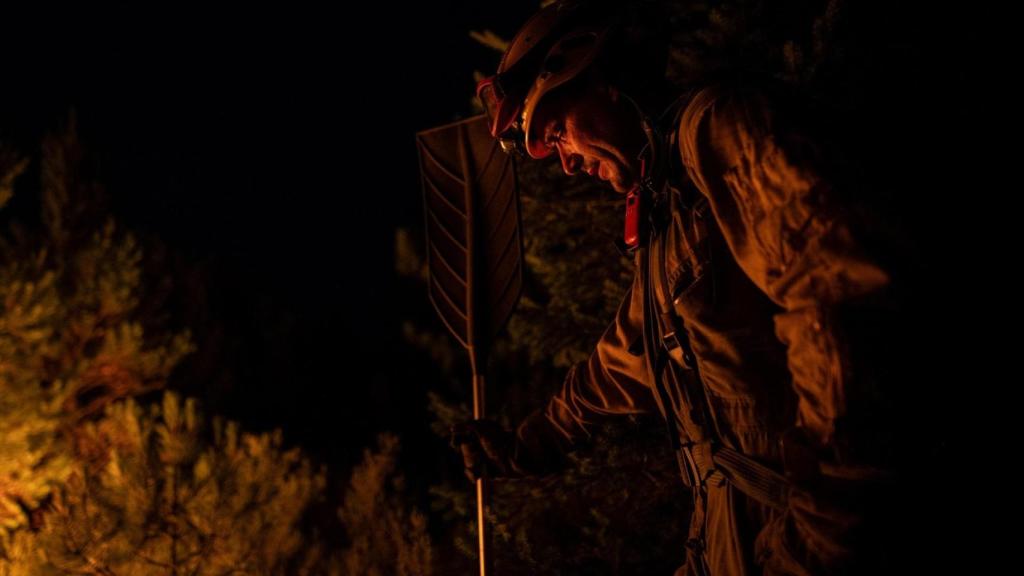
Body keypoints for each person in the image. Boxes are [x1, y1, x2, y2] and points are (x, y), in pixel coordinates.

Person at [456, 1, 953, 574]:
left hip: (805, 542)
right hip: (726, 541)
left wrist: (822, 532)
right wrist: (530, 442)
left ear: (603, 80)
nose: (566, 164)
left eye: (558, 132)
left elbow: (840, 302)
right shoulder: (668, 209)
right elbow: (622, 361)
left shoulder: (717, 130)